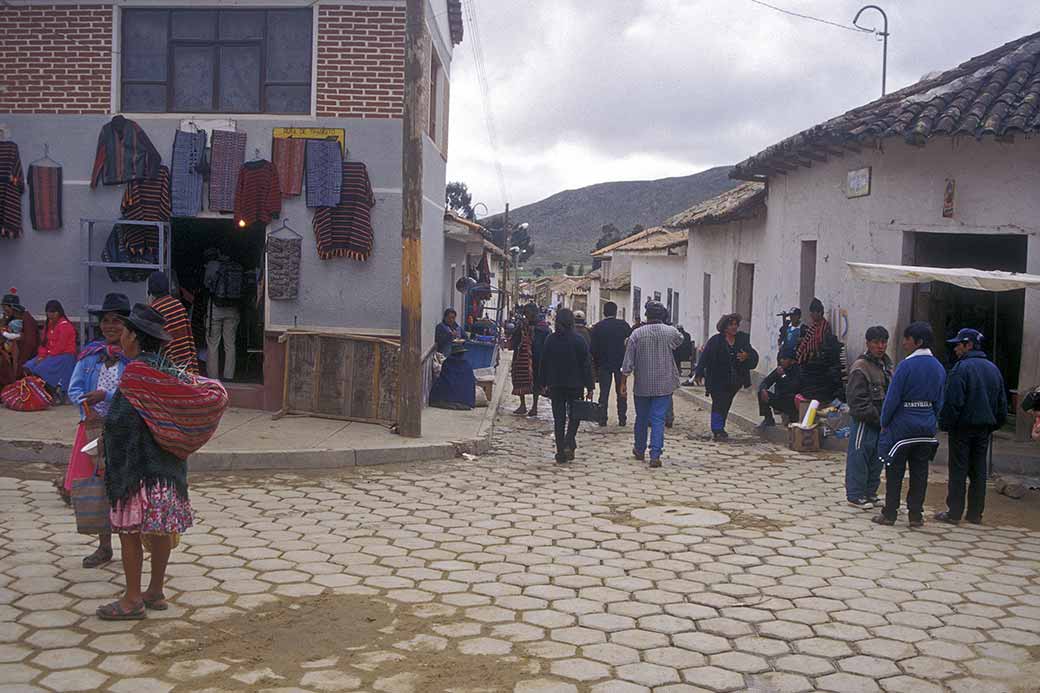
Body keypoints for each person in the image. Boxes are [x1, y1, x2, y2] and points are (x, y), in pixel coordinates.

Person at [97, 305, 193, 620]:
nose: (121, 336)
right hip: (169, 472)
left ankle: (132, 600)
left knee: (130, 534)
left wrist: (104, 444)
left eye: (124, 331)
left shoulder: (136, 373)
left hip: (138, 472)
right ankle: (155, 590)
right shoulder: (170, 370)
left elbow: (121, 423)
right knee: (162, 531)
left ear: (135, 336)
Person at [63, 293, 131, 568]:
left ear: (127, 326)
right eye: (106, 321)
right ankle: (104, 546)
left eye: (117, 321)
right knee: (98, 486)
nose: (110, 326)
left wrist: (106, 395)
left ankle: (130, 545)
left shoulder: (133, 359)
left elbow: (133, 392)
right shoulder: (90, 356)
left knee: (124, 488)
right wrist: (86, 407)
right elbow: (74, 388)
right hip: (92, 430)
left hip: (123, 430)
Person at [873, 321, 946, 528]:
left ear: (918, 341)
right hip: (927, 426)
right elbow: (940, 401)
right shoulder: (939, 367)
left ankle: (889, 513)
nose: (904, 342)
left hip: (903, 426)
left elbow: (892, 399)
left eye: (907, 339)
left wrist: (884, 422)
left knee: (894, 470)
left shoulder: (906, 366)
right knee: (920, 471)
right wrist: (932, 420)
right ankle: (916, 515)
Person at [935, 328, 1007, 525]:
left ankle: (954, 512)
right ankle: (975, 514)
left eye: (959, 344)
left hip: (962, 429)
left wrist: (946, 424)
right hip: (984, 429)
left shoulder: (961, 369)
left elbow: (953, 402)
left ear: (969, 345)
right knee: (978, 471)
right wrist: (993, 425)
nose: (956, 348)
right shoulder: (994, 369)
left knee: (958, 470)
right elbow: (1002, 405)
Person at [623, 301, 683, 467]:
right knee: (658, 418)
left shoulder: (636, 334)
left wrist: (624, 381)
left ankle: (640, 449)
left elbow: (627, 362)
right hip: (664, 384)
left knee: (641, 418)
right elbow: (680, 341)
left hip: (642, 384)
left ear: (646, 315)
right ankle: (655, 454)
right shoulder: (670, 332)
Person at [844, 326, 894, 509]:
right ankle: (856, 495)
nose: (881, 346)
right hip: (865, 421)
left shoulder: (887, 366)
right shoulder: (860, 367)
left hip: (882, 422)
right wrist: (875, 417)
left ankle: (870, 493)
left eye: (883, 342)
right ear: (868, 344)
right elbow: (856, 401)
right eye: (876, 342)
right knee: (859, 456)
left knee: (877, 459)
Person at [537, 308, 595, 464]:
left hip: (556, 385)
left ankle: (560, 451)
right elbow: (586, 365)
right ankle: (570, 440)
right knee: (575, 416)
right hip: (575, 386)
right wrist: (590, 387)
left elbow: (544, 362)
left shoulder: (551, 340)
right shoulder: (579, 340)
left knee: (559, 419)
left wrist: (542, 383)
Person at [695, 313, 760, 441]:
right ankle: (717, 429)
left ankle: (720, 427)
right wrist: (699, 373)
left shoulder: (742, 339)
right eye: (731, 325)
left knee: (726, 403)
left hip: (734, 380)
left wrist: (747, 356)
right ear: (725, 327)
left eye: (736, 324)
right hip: (717, 378)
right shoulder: (715, 340)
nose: (734, 327)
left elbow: (753, 355)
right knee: (719, 402)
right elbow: (705, 357)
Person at [24, 300, 78, 400]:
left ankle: (52, 392)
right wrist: (41, 355)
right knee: (28, 365)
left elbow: (60, 347)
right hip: (50, 355)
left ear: (59, 312)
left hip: (64, 356)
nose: (51, 314)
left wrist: (45, 357)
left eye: (54, 312)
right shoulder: (48, 324)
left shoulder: (66, 326)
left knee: (40, 368)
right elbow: (43, 344)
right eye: (49, 312)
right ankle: (37, 393)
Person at [590, 301, 632, 427]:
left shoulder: (598, 327)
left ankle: (602, 418)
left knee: (604, 393)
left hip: (604, 365)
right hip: (620, 364)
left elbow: (593, 348)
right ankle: (622, 418)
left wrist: (597, 363)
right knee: (621, 391)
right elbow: (630, 344)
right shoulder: (624, 326)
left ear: (604, 312)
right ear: (616, 312)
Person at [148, 272, 198, 375]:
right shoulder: (178, 306)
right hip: (185, 363)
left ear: (150, 291)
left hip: (167, 367)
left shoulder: (153, 310)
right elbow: (188, 336)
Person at [203, 249, 242, 381]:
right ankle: (229, 376)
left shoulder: (212, 265)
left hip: (216, 307)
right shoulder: (236, 266)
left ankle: (213, 376)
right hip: (233, 309)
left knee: (213, 343)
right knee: (230, 344)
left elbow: (206, 284)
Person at [796, 298, 844, 402]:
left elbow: (818, 344)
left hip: (814, 362)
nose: (811, 316)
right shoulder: (814, 325)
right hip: (804, 359)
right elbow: (806, 342)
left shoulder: (823, 326)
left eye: (813, 313)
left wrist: (804, 355)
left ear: (819, 313)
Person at [509, 303, 548, 417]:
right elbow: (514, 341)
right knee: (520, 380)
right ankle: (522, 405)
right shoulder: (521, 326)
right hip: (522, 358)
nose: (528, 316)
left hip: (537, 359)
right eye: (526, 314)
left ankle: (534, 406)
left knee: (537, 382)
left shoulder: (543, 327)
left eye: (529, 314)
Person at [1, 289, 40, 387]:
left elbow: (30, 343)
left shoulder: (27, 319)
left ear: (13, 307)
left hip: (22, 355)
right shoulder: (8, 318)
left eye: (6, 309)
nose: (5, 312)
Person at [757, 346, 802, 428]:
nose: (782, 361)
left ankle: (791, 418)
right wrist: (763, 389)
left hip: (791, 403)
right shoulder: (780, 369)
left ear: (791, 361)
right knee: (761, 393)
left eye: (785, 359)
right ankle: (768, 419)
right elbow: (766, 381)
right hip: (780, 399)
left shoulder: (797, 370)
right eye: (781, 358)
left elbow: (793, 387)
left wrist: (783, 376)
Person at [429, 343, 476, 410]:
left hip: (446, 400)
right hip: (465, 403)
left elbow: (443, 378)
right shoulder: (467, 365)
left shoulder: (447, 362)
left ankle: (449, 401)